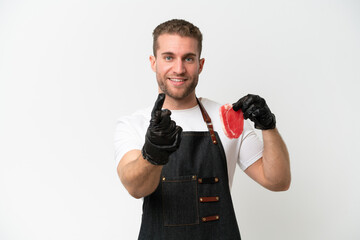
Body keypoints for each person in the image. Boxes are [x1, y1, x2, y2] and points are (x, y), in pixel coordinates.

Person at [114, 19, 291, 240]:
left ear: (200, 64)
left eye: (188, 58)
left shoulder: (226, 118)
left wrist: (268, 127)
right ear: (153, 62)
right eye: (169, 57)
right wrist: (152, 152)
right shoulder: (135, 124)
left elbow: (278, 181)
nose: (179, 69)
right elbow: (135, 188)